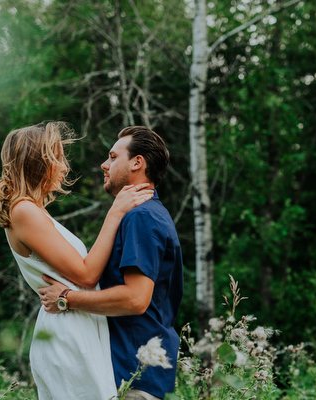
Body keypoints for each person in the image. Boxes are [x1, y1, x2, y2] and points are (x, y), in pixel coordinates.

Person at [0, 121, 154, 400]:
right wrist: (115, 212)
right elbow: (86, 274)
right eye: (57, 158)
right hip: (66, 334)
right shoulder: (24, 211)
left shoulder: (34, 211)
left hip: (78, 326)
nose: (65, 167)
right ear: (37, 161)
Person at [38, 126, 183, 400]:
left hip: (134, 372)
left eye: (113, 157)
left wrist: (67, 298)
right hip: (133, 369)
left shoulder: (142, 217)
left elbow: (136, 299)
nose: (104, 165)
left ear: (137, 162)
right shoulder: (145, 214)